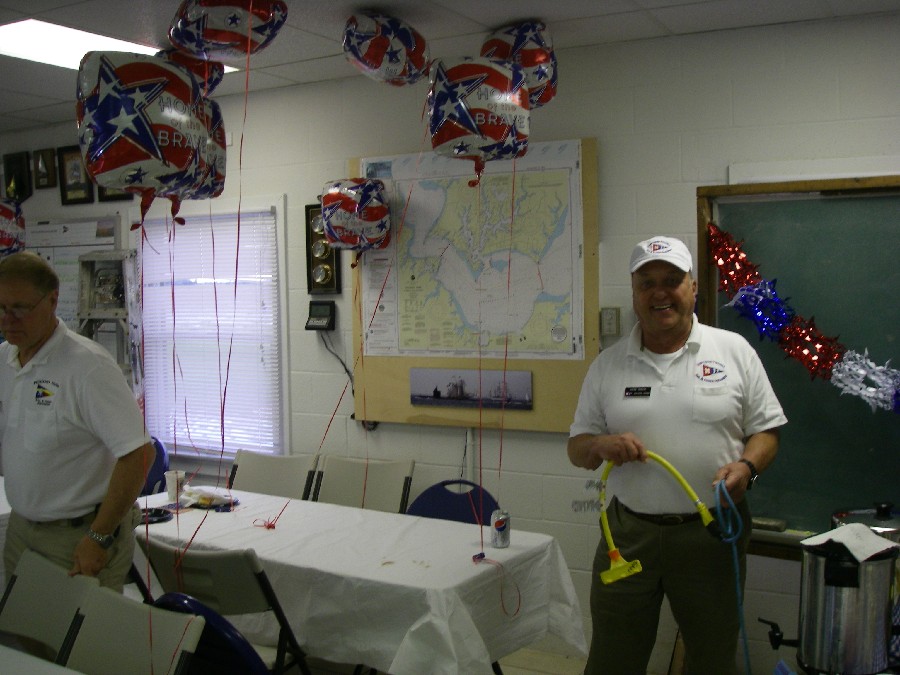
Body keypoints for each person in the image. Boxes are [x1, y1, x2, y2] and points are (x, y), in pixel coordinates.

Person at [567, 236, 787, 674]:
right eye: (647, 283)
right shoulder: (608, 365)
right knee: (613, 657)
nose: (659, 293)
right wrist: (598, 445)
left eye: (671, 280)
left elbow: (767, 431)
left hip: (711, 532)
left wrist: (747, 468)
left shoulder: (733, 350)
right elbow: (577, 447)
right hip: (628, 534)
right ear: (634, 294)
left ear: (693, 287)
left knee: (712, 658)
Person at [0, 251, 154, 591]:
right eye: (1, 308)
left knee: (78, 627)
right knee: (19, 625)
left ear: (52, 301)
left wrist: (99, 536)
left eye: (20, 308)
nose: (8, 319)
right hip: (21, 528)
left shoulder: (87, 367)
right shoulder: (5, 360)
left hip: (78, 535)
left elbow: (140, 455)